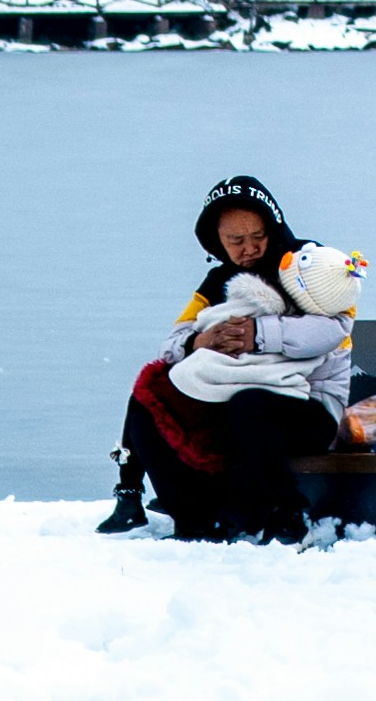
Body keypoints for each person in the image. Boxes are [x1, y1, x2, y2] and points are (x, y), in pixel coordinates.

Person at [96, 175, 354, 543]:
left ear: (275, 226)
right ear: (216, 241)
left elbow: (336, 327)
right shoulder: (216, 283)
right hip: (233, 397)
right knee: (150, 394)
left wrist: (259, 334)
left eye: (258, 236)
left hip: (309, 405)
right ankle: (186, 516)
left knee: (248, 406)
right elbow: (170, 345)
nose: (249, 249)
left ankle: (285, 514)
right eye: (235, 241)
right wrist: (201, 340)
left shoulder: (310, 264)